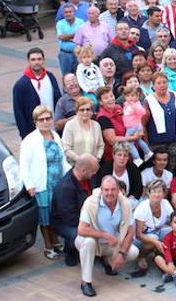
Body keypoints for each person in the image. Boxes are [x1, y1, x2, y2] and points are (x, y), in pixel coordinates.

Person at [75, 176, 140, 297]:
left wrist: (122, 254)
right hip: (91, 240)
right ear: (101, 189)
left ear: (118, 190)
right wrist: (105, 235)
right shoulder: (91, 202)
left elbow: (130, 232)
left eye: (113, 189)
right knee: (89, 242)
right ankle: (86, 282)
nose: (110, 193)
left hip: (112, 244)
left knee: (133, 252)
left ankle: (106, 260)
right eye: (106, 189)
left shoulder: (125, 204)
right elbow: (81, 229)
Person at [20, 105, 70, 260]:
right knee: (45, 217)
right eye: (41, 119)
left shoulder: (55, 135)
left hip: (58, 183)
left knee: (55, 214)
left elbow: (63, 158)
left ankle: (56, 240)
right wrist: (29, 185)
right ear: (35, 121)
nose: (45, 122)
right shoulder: (30, 140)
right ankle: (48, 245)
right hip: (42, 185)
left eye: (48, 118)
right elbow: (24, 164)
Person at [13, 48, 62, 139]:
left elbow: (58, 100)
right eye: (33, 59)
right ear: (28, 61)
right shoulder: (21, 84)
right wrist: (24, 135)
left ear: (43, 60)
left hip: (53, 128)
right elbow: (19, 112)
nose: (36, 62)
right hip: (34, 132)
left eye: (39, 59)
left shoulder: (50, 77)